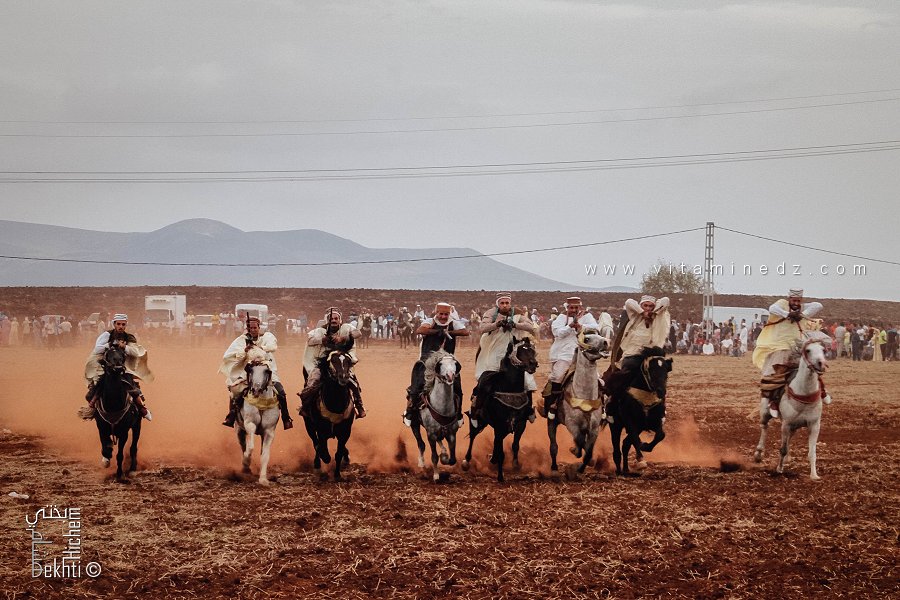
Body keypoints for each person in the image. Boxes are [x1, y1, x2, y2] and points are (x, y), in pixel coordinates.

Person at [752, 289, 825, 417]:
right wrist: (787, 314)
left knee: (813, 366)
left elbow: (819, 305)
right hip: (780, 347)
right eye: (793, 300)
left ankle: (822, 391)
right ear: (789, 299)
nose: (796, 303)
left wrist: (802, 313)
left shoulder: (803, 308)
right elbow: (772, 308)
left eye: (798, 301)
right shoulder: (781, 304)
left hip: (798, 347)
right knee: (777, 375)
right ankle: (773, 402)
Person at [469, 293, 535, 425]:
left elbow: (530, 326)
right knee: (486, 378)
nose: (505, 305)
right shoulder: (491, 313)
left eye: (507, 303)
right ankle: (477, 409)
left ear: (510, 303)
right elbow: (482, 328)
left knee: (526, 381)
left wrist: (515, 325)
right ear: (498, 304)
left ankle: (528, 410)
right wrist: (498, 324)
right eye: (502, 303)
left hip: (513, 353)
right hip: (494, 351)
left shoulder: (517, 313)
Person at [219, 316, 293, 430]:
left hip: (267, 371)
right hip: (248, 373)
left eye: (255, 327)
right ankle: (232, 415)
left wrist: (257, 347)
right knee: (235, 391)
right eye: (250, 328)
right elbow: (232, 354)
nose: (253, 330)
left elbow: (273, 347)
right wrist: (245, 351)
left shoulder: (267, 336)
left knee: (281, 392)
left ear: (259, 327)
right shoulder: (242, 340)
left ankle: (286, 418)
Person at [402, 302, 470, 426]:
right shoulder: (430, 321)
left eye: (446, 314)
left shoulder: (453, 323)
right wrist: (437, 331)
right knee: (417, 386)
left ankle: (458, 413)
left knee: (458, 387)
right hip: (427, 361)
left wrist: (449, 332)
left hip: (447, 361)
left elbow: (465, 332)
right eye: (441, 314)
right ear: (436, 313)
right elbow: (420, 330)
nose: (444, 316)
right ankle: (410, 411)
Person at [608, 295, 672, 414]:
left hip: (652, 355)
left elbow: (665, 300)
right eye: (645, 305)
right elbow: (628, 301)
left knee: (660, 375)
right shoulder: (635, 316)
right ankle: (613, 406)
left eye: (650, 306)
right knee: (624, 375)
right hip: (632, 354)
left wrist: (653, 312)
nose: (648, 308)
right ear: (641, 306)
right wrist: (642, 313)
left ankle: (661, 406)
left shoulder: (658, 317)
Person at [298, 308, 366, 419]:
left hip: (342, 363)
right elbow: (310, 341)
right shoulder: (320, 331)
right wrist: (323, 340)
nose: (333, 320)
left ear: (340, 319)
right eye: (331, 318)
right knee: (312, 382)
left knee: (353, 382)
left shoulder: (346, 328)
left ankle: (359, 406)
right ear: (327, 320)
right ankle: (305, 407)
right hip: (323, 363)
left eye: (336, 318)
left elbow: (358, 333)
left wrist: (343, 338)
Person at [84, 314, 154, 421]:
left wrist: (124, 347)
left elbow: (136, 352)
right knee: (97, 385)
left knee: (131, 386)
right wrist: (110, 345)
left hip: (123, 366)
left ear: (126, 325)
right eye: (118, 324)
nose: (121, 326)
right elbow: (97, 349)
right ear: (114, 324)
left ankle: (142, 409)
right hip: (106, 366)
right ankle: (92, 408)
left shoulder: (129, 337)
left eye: (123, 324)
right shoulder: (107, 335)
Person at [543, 296, 599, 420]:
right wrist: (570, 326)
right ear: (567, 307)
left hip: (584, 354)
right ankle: (554, 404)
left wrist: (580, 326)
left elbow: (596, 328)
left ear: (580, 307)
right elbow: (557, 332)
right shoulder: (561, 318)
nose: (574, 310)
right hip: (564, 354)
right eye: (571, 307)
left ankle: (603, 408)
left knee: (598, 379)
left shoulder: (587, 317)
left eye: (576, 307)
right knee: (558, 376)